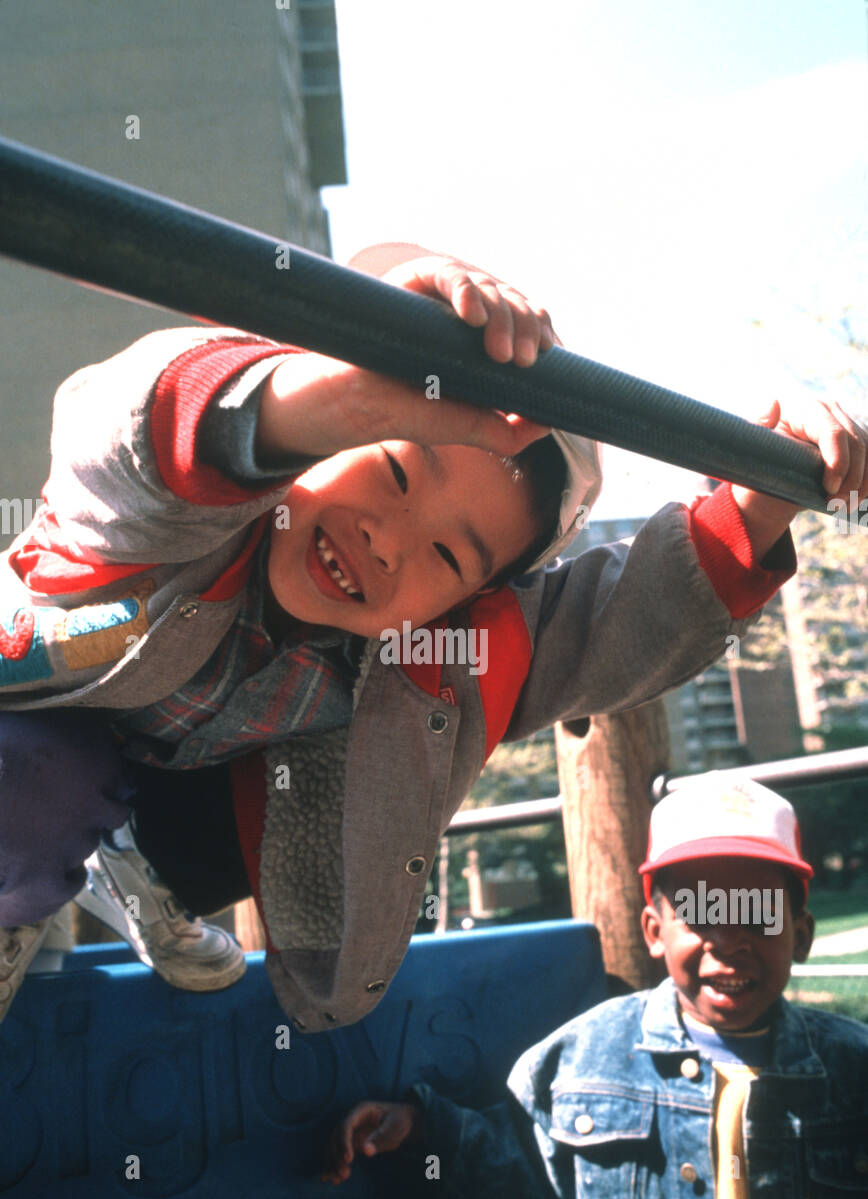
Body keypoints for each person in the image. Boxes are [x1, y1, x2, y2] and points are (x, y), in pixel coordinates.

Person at [0, 241, 865, 1031]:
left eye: (449, 554)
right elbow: (136, 434)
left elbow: (612, 625)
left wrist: (770, 486)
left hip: (168, 797)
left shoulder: (425, 654)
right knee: (45, 775)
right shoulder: (189, 513)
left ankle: (127, 869)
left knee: (314, 781)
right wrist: (329, 396)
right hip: (42, 700)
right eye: (392, 467)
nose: (389, 539)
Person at [322, 775, 868, 1199]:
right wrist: (423, 1131)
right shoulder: (580, 1060)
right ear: (654, 931)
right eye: (702, 912)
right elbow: (527, 1191)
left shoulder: (853, 1071)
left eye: (758, 913)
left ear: (801, 935)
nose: (729, 941)